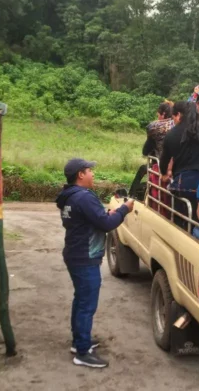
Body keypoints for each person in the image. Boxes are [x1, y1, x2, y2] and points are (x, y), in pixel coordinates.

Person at [56, 158, 134, 368]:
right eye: (90, 171)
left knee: (80, 300)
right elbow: (106, 224)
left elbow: (92, 219)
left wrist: (104, 215)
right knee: (86, 304)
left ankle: (79, 341)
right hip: (85, 256)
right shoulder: (83, 197)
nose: (93, 174)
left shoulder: (69, 196)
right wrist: (124, 209)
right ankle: (82, 352)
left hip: (75, 253)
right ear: (80, 175)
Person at [160, 101, 199, 229]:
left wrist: (165, 173)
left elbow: (164, 160)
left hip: (185, 185)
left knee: (182, 220)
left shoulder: (172, 134)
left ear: (179, 114)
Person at [140, 100, 174, 211]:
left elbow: (146, 150)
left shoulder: (154, 127)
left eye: (158, 114)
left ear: (163, 114)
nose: (158, 117)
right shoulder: (177, 125)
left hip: (162, 165)